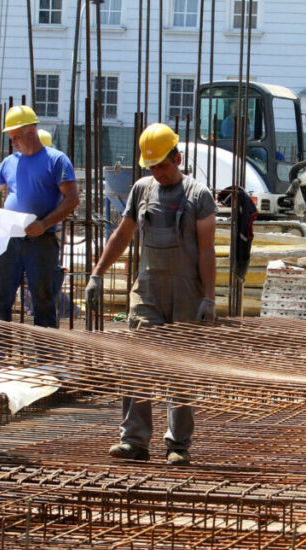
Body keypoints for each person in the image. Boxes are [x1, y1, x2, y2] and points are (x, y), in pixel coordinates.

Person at [85, 123, 217, 466]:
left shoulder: (198, 195)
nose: (158, 172)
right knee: (138, 364)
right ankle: (134, 440)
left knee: (181, 370)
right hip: (147, 290)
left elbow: (206, 250)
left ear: (178, 158)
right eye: (152, 166)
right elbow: (122, 235)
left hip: (187, 291)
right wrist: (97, 273)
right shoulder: (142, 190)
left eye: (163, 165)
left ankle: (178, 445)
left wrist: (209, 298)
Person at [0, 105, 79, 328]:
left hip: (42, 241)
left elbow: (72, 200)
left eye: (16, 137)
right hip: (9, 241)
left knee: (43, 301)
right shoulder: (9, 162)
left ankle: (45, 358)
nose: (13, 142)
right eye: (11, 137)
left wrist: (44, 223)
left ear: (31, 132)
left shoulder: (56, 160)